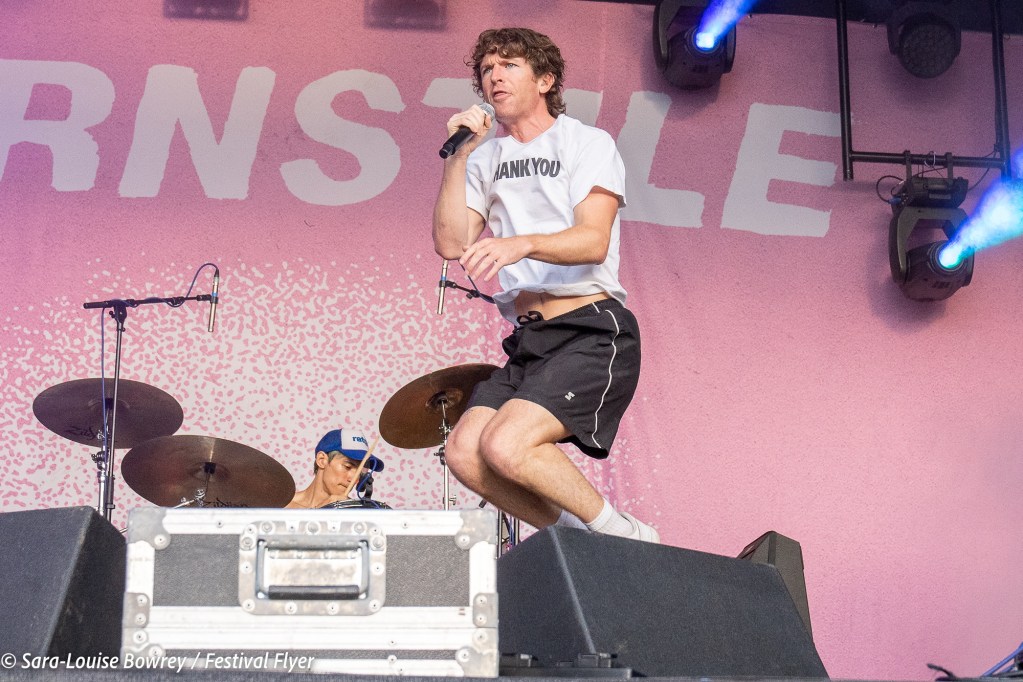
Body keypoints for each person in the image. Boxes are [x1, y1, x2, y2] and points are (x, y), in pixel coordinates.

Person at [431, 27, 658, 542]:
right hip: (531, 339)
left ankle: (625, 536)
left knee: (507, 445)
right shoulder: (483, 158)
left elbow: (593, 240)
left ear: (545, 80)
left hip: (589, 328)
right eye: (487, 69)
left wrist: (521, 244)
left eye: (509, 65)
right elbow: (450, 242)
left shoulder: (586, 142)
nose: (495, 76)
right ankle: (582, 540)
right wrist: (458, 158)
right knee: (464, 452)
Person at [287, 428, 386, 509]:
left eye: (360, 473)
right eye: (347, 467)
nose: (354, 479)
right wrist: (320, 512)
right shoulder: (282, 506)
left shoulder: (356, 515)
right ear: (321, 460)